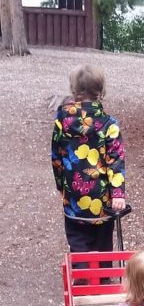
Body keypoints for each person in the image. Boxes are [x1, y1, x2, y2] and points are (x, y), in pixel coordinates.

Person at [51, 64, 127, 261]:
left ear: (74, 90)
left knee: (78, 245)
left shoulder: (62, 120)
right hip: (102, 201)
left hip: (74, 198)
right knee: (103, 247)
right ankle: (102, 283)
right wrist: (118, 194)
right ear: (100, 91)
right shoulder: (109, 125)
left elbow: (57, 157)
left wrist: (62, 186)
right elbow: (115, 160)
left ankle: (82, 281)